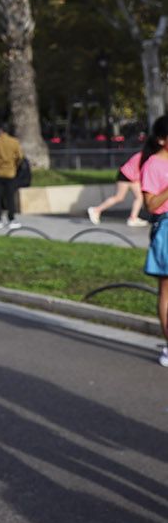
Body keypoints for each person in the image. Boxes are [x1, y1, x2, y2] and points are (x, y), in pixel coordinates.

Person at [132, 115, 168, 367]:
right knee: (167, 290)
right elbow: (150, 204)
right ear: (162, 139)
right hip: (166, 228)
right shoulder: (153, 165)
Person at [88, 151, 148, 228]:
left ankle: (133, 218)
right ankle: (96, 210)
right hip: (126, 175)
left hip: (132, 176)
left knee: (139, 197)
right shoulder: (148, 155)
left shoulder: (146, 154)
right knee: (119, 197)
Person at [0, 123, 25, 229]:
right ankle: (11, 218)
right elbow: (20, 156)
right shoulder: (14, 142)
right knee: (10, 196)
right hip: (11, 173)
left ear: (0, 131)